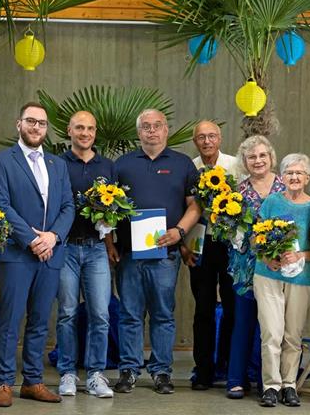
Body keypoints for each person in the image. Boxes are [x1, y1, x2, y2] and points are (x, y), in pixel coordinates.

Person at [0, 102, 74, 408]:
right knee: (10, 320)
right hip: (17, 254)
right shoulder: (1, 160)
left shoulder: (57, 164)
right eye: (31, 121)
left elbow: (68, 207)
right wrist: (31, 240)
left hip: (50, 253)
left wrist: (53, 237)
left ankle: (33, 381)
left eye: (42, 123)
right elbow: (0, 204)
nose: (37, 127)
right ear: (19, 124)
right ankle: (3, 383)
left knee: (40, 321)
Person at [108, 109, 201, 395]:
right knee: (130, 314)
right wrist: (110, 243)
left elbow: (195, 206)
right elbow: (107, 208)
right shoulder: (121, 165)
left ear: (166, 130)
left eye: (157, 126)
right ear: (139, 133)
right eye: (146, 127)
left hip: (166, 255)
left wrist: (180, 232)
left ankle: (162, 371)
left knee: (163, 314)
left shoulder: (183, 164)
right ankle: (129, 370)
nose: (151, 131)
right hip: (129, 254)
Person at [56, 111, 115, 398]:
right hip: (65, 247)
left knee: (100, 314)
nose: (85, 133)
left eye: (90, 128)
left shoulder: (108, 166)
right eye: (79, 127)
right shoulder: (57, 164)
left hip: (96, 249)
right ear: (69, 130)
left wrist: (110, 229)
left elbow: (116, 206)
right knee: (67, 312)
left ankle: (95, 374)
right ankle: (67, 373)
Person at [253, 153, 310, 408]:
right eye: (289, 173)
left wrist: (300, 255)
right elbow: (256, 238)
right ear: (282, 177)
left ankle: (289, 385)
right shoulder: (270, 203)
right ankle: (271, 386)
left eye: (299, 173)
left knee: (292, 335)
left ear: (307, 178)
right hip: (267, 275)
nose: (294, 177)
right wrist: (267, 257)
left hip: (301, 278)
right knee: (271, 333)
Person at [226, 135, 286, 399]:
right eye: (252, 157)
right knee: (244, 322)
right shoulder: (237, 193)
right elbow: (229, 230)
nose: (258, 161)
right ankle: (236, 379)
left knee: (272, 326)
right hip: (246, 266)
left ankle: (268, 381)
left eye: (263, 155)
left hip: (278, 266)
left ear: (271, 158)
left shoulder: (286, 187)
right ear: (245, 162)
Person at [181, 120, 238, 390]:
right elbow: (180, 206)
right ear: (195, 141)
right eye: (201, 137)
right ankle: (202, 369)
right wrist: (182, 245)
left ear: (220, 138)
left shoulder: (235, 165)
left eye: (211, 136)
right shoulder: (188, 168)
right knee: (202, 307)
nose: (207, 141)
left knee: (231, 306)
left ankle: (226, 365)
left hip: (229, 243)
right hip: (198, 243)